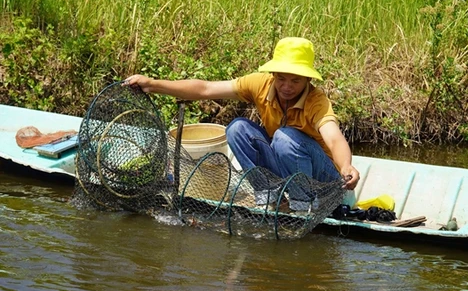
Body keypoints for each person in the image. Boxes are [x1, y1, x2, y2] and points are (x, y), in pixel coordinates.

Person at [123, 37, 360, 210]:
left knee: (284, 137)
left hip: (323, 178)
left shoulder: (316, 101)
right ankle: (270, 195)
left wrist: (346, 166)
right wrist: (153, 84)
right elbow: (206, 88)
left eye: (295, 81)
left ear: (307, 79)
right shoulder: (261, 84)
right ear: (273, 75)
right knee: (237, 128)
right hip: (288, 166)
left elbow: (333, 137)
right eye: (281, 78)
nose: (286, 86)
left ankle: (303, 201)